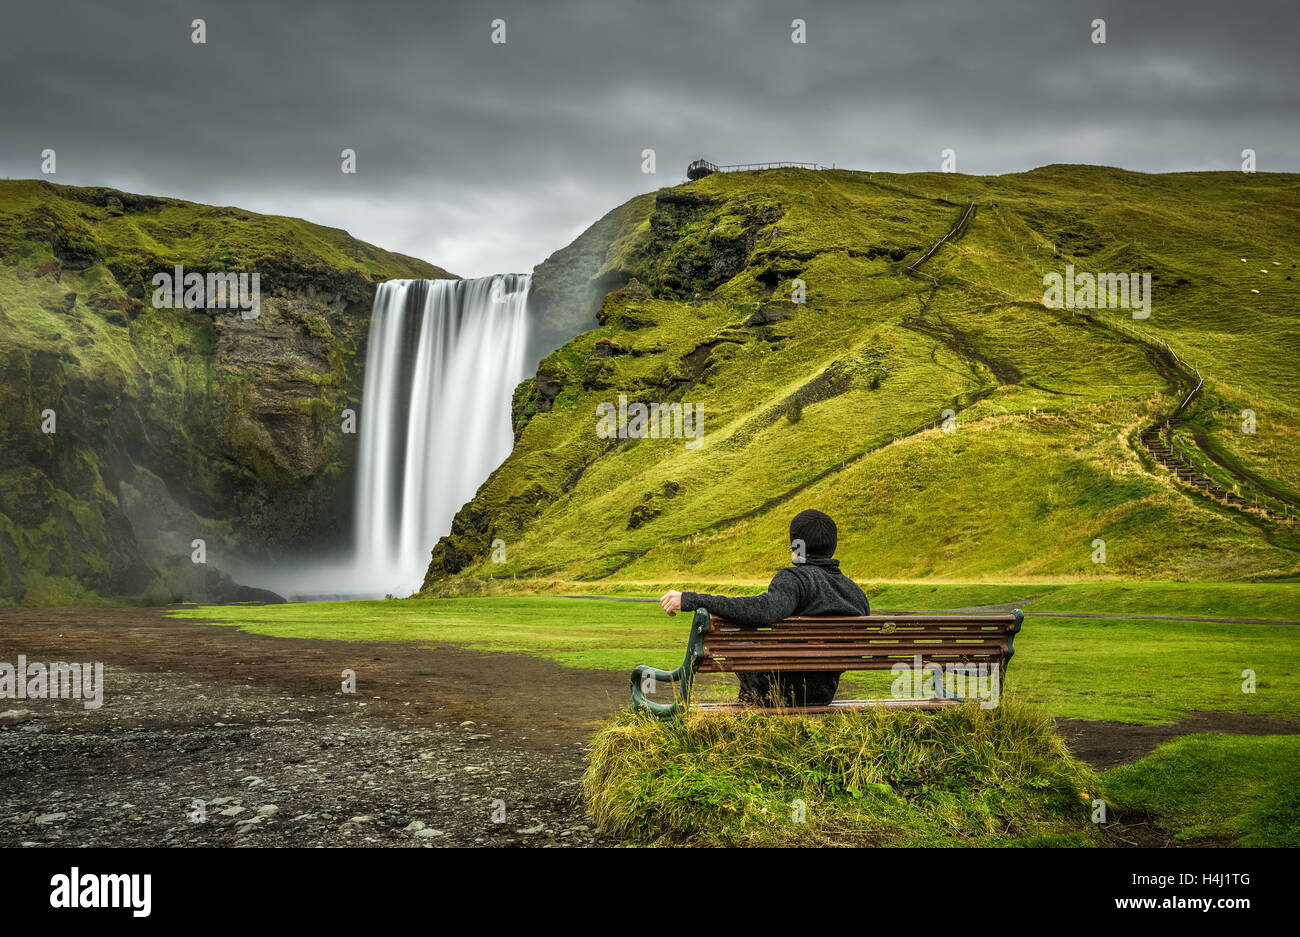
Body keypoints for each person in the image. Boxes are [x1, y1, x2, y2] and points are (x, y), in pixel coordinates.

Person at [658, 508, 870, 707]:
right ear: (832, 546)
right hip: (822, 695)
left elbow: (762, 611)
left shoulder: (796, 579)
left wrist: (691, 599)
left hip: (773, 691)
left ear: (797, 546)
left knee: (742, 642)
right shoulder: (855, 594)